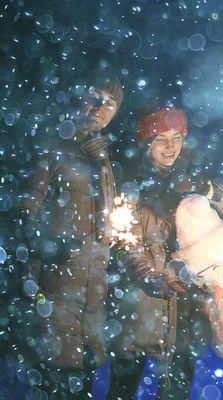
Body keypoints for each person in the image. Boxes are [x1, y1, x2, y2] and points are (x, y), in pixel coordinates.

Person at [107, 106, 223, 400]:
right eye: (160, 139)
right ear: (146, 142)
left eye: (177, 137)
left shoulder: (194, 175)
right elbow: (124, 246)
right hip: (139, 310)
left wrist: (205, 188)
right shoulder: (127, 185)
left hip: (185, 313)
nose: (170, 147)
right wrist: (152, 279)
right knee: (122, 389)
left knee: (176, 391)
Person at [10, 73, 123, 399]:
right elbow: (20, 216)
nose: (102, 107)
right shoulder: (50, 146)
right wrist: (45, 246)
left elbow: (108, 230)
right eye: (95, 96)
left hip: (91, 308)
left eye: (111, 103)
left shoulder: (103, 160)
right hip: (51, 301)